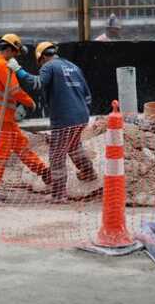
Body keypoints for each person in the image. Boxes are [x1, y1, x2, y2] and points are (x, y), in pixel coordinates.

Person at [8, 42, 97, 202]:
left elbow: (36, 84)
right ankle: (88, 172)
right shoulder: (73, 67)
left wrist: (18, 70)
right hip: (82, 116)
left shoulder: (49, 66)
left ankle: (58, 195)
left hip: (65, 119)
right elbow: (87, 95)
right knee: (74, 146)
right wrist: (79, 112)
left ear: (41, 57)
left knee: (56, 156)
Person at [0, 34, 51, 205]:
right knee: (0, 154)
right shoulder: (2, 66)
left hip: (1, 117)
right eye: (16, 52)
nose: (16, 56)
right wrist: (29, 102)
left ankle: (44, 172)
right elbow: (15, 90)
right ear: (9, 49)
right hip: (1, 118)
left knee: (21, 145)